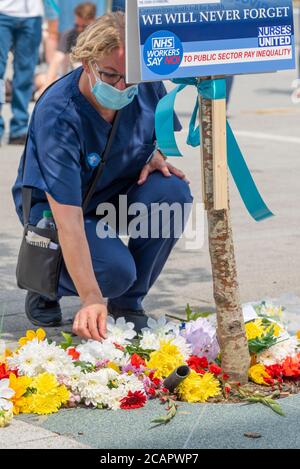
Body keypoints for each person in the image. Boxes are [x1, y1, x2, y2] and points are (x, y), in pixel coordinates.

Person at [12, 12, 193, 341]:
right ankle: (45, 280)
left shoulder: (145, 81)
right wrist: (91, 297)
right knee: (114, 271)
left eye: (130, 78)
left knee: (173, 194)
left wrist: (153, 156)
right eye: (110, 76)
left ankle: (128, 303)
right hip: (60, 209)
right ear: (85, 62)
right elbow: (68, 219)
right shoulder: (58, 112)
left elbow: (159, 136)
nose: (123, 87)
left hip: (113, 190)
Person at [0, 0, 43, 145]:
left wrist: (52, 16)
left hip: (32, 15)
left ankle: (19, 128)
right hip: (2, 12)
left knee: (25, 74)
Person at [35, 2, 97, 99]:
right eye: (77, 25)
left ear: (93, 21)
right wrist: (45, 86)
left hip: (91, 78)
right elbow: (56, 61)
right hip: (70, 76)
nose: (79, 30)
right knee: (39, 79)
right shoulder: (69, 34)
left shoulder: (98, 38)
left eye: (84, 27)